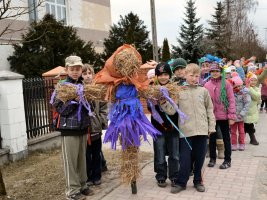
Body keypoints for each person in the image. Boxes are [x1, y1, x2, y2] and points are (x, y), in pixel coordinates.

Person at [161, 63, 216, 193]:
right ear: (185, 75)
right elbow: (172, 110)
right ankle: (181, 183)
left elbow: (209, 109)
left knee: (200, 158)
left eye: (197, 76)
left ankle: (198, 181)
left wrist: (211, 127)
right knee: (185, 159)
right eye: (191, 75)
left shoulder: (203, 91)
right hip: (186, 132)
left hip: (202, 131)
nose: (194, 78)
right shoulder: (179, 91)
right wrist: (162, 102)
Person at [52, 56, 93, 200]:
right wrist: (73, 101)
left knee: (82, 159)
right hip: (68, 129)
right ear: (66, 70)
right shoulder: (62, 86)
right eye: (72, 69)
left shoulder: (84, 85)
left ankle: (83, 185)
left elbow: (90, 107)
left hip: (82, 128)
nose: (75, 72)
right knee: (70, 162)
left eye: (78, 69)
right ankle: (72, 191)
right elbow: (59, 108)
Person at [149, 62, 179, 188]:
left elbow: (176, 108)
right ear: (156, 76)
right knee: (159, 153)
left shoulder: (174, 89)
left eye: (166, 74)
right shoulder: (151, 89)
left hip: (173, 126)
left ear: (169, 75)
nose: (163, 77)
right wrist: (154, 101)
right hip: (158, 127)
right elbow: (151, 109)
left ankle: (174, 176)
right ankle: (161, 176)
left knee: (174, 154)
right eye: (160, 75)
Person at [204, 62, 236, 169]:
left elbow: (231, 100)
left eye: (217, 71)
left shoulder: (226, 84)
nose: (215, 73)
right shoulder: (207, 85)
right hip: (212, 116)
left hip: (224, 116)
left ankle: (228, 160)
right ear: (210, 72)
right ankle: (212, 158)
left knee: (226, 138)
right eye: (212, 71)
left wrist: (231, 116)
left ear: (221, 72)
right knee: (212, 138)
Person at [82, 64, 108, 186]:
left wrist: (101, 120)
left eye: (89, 73)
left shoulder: (99, 89)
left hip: (95, 127)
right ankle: (88, 176)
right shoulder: (78, 89)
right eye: (85, 73)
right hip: (84, 128)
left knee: (96, 153)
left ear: (93, 74)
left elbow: (104, 107)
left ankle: (97, 176)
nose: (87, 76)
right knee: (86, 154)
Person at [229, 72, 251, 151]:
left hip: (241, 116)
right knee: (233, 131)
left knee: (241, 131)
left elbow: (247, 104)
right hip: (233, 116)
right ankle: (234, 143)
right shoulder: (231, 93)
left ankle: (242, 143)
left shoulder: (245, 93)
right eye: (236, 86)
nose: (238, 87)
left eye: (240, 86)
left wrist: (242, 114)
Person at [244, 72, 261, 145]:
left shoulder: (257, 89)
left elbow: (257, 96)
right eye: (251, 80)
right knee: (244, 126)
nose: (253, 82)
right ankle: (242, 139)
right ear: (248, 80)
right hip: (244, 111)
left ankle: (252, 138)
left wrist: (249, 88)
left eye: (255, 80)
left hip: (252, 111)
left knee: (250, 125)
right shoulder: (244, 88)